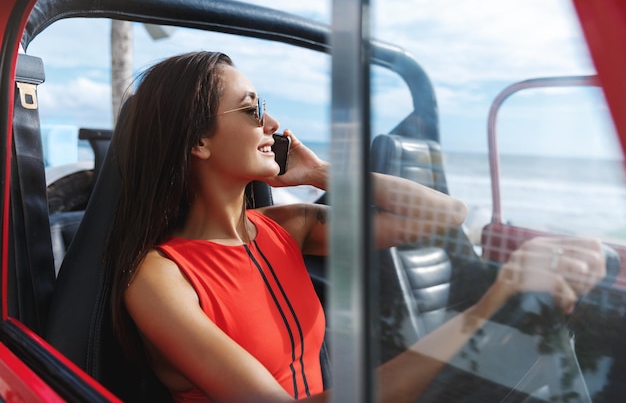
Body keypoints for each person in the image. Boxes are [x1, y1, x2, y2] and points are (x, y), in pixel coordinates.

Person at [106, 51, 606, 403]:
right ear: (198, 142)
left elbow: (446, 215)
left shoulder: (288, 226)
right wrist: (492, 303)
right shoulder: (158, 278)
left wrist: (324, 173)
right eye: (251, 107)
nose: (272, 123)